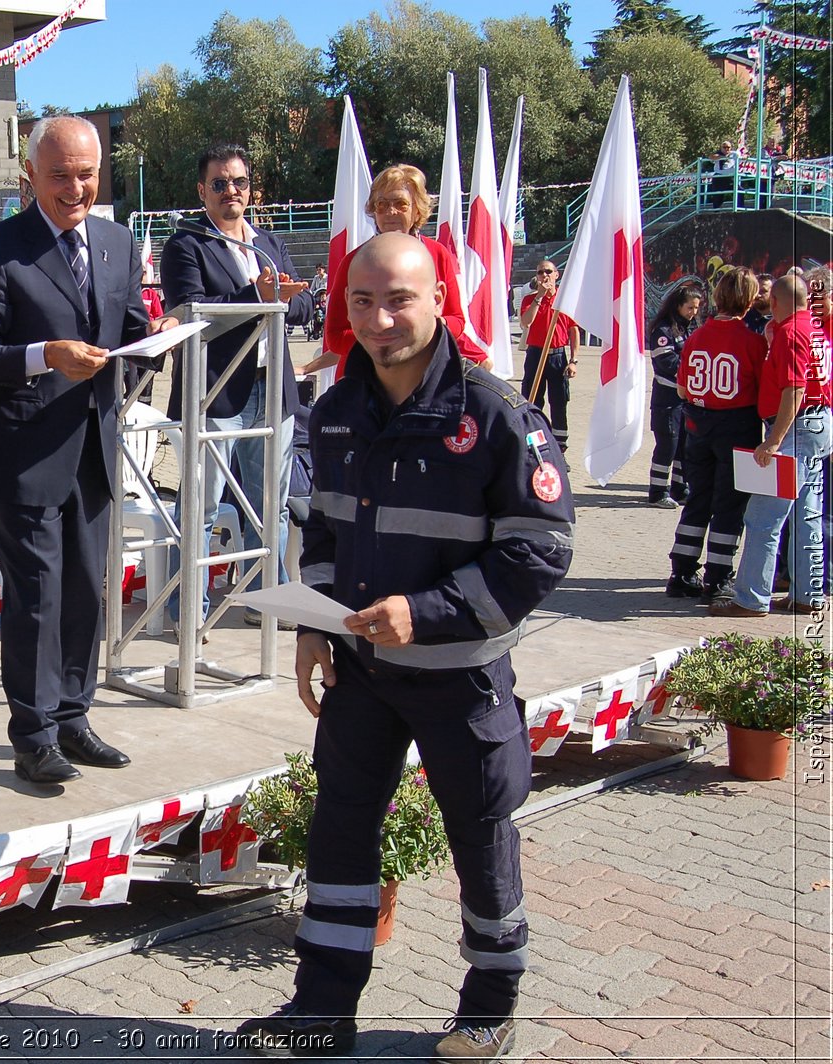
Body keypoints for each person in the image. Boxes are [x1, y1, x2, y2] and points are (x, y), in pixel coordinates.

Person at [239, 233, 573, 1060]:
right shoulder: (338, 408)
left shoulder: (495, 415)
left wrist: (425, 614)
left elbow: (541, 548)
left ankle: (488, 1005)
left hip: (459, 680)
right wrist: (318, 624)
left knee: (481, 834)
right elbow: (321, 526)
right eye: (362, 301)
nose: (381, 319)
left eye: (400, 300)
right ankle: (321, 1012)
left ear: (438, 302)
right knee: (340, 836)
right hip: (361, 676)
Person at [0, 115, 178, 785]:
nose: (76, 188)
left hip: (94, 448)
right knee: (37, 597)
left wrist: (145, 355)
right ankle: (33, 733)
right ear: (30, 176)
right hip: (23, 452)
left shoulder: (114, 240)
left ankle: (74, 717)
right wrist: (43, 356)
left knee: (85, 591)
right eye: (60, 176)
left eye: (87, 174)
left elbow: (133, 332)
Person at [159, 143, 314, 626]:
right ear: (202, 191)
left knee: (272, 504)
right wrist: (257, 296)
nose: (231, 191)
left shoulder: (267, 243)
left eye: (240, 182)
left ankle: (266, 599)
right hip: (216, 390)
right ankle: (187, 607)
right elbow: (192, 314)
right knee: (203, 503)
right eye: (220, 183)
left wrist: (287, 298)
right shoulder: (187, 245)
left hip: (274, 389)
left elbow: (306, 309)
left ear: (252, 190)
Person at [712, 274, 831, 618]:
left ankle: (750, 598)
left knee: (764, 516)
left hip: (794, 430)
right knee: (806, 515)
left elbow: (793, 389)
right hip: (817, 423)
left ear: (776, 303)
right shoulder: (815, 327)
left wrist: (773, 441)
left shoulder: (790, 333)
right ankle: (807, 594)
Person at [304, 164, 485, 379]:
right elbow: (335, 337)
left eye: (401, 204)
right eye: (382, 204)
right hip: (364, 377)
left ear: (417, 208)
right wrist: (386, 339)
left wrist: (419, 333)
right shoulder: (353, 261)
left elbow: (456, 320)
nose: (391, 211)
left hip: (424, 375)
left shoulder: (438, 254)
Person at [664, 269, 767, 604]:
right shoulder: (753, 341)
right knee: (729, 504)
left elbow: (682, 387)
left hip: (698, 423)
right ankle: (719, 575)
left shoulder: (695, 337)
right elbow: (764, 392)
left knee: (697, 499)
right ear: (750, 300)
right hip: (737, 426)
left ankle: (681, 571)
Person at [648, 286, 703, 507]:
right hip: (667, 399)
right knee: (667, 445)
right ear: (678, 305)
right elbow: (667, 362)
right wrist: (694, 369)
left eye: (696, 308)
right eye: (690, 307)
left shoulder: (689, 328)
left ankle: (680, 488)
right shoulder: (663, 330)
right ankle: (658, 492)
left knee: (684, 446)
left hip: (686, 399)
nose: (693, 312)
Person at [517, 260, 579, 455]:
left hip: (558, 356)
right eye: (540, 272)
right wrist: (540, 298)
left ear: (556, 274)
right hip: (536, 354)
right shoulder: (530, 299)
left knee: (559, 402)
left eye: (548, 272)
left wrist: (573, 360)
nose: (544, 276)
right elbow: (526, 322)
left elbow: (573, 330)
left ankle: (560, 449)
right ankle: (535, 444)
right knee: (533, 400)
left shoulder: (565, 299)